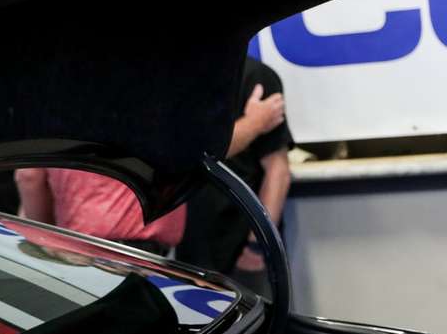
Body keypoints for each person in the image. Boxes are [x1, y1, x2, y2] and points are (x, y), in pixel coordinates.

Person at [177, 56, 291, 296]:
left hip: (241, 248)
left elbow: (277, 169)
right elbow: (184, 154)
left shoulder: (256, 77)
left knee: (259, 330)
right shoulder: (175, 80)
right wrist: (254, 123)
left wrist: (257, 246)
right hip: (187, 253)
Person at [14, 168, 185, 256]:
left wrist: (47, 240)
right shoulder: (162, 108)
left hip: (81, 251)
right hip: (156, 255)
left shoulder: (55, 113)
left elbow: (28, 176)